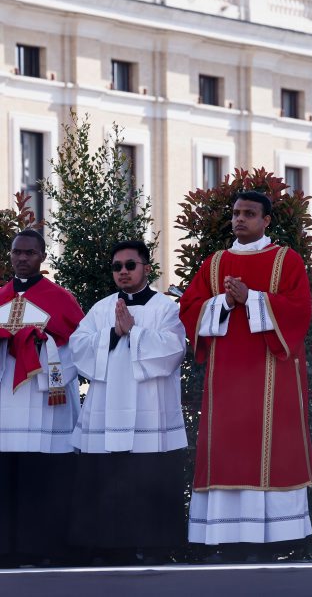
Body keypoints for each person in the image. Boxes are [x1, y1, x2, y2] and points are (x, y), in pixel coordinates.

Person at [179, 191, 312, 559]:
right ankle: (226, 536)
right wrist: (224, 302)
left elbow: (299, 310)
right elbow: (189, 309)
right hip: (225, 382)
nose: (240, 219)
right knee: (226, 450)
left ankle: (277, 537)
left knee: (273, 449)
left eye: (249, 214)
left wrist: (252, 298)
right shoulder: (214, 263)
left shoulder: (286, 260)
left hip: (273, 377)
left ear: (266, 220)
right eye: (236, 213)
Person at [68, 240, 187, 564]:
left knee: (151, 479)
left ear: (146, 268)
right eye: (117, 267)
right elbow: (78, 347)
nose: (123, 271)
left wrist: (135, 332)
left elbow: (174, 350)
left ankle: (155, 548)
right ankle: (109, 548)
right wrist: (112, 334)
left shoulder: (165, 308)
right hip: (106, 414)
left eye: (130, 265)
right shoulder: (102, 309)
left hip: (150, 415)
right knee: (107, 480)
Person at [0, 230, 84, 567]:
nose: (22, 258)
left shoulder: (61, 299)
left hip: (43, 400)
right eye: (17, 252)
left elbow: (80, 347)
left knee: (43, 477)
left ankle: (45, 548)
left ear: (43, 256)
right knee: (6, 477)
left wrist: (43, 345)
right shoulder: (1, 296)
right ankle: (6, 549)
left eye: (30, 252)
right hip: (6, 401)